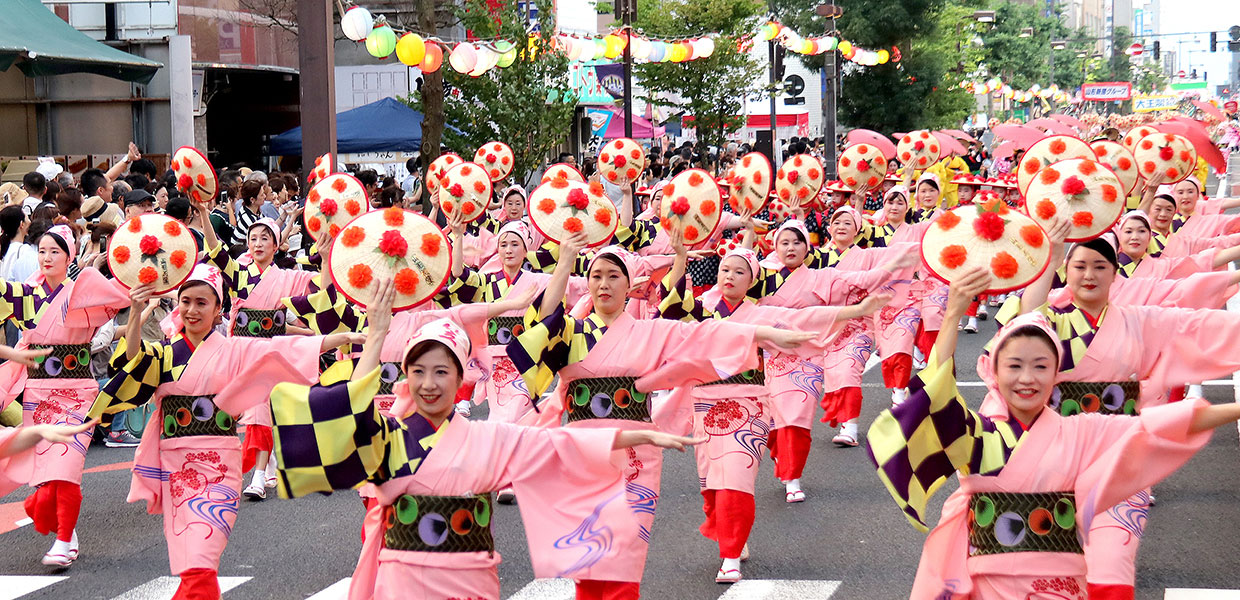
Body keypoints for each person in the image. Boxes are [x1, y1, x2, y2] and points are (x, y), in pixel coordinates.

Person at [270, 278, 699, 600]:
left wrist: (635, 435)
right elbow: (348, 418)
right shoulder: (388, 439)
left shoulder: (488, 438)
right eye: (417, 372)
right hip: (401, 577)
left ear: (461, 379)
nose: (429, 384)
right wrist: (378, 337)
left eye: (441, 372)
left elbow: (558, 446)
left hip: (471, 580)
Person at [867, 267, 1240, 599]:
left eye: (1041, 366)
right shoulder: (977, 435)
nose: (1027, 378)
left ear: (1056, 374)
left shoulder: (1081, 431)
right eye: (1014, 365)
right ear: (995, 372)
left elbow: (1157, 426)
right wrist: (951, 315)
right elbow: (935, 395)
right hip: (986, 584)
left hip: (1061, 584)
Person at [508, 235, 815, 599]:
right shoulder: (572, 331)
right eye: (595, 276)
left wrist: (767, 333)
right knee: (588, 560)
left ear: (630, 285)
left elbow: (707, 334)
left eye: (613, 276)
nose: (603, 284)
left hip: (637, 456)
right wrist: (564, 263)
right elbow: (542, 322)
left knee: (626, 555)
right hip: (582, 454)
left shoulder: (651, 331)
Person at [89, 264, 360, 599]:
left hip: (219, 466)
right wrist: (134, 313)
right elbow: (135, 361)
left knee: (202, 556)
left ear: (219, 310)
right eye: (186, 301)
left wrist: (343, 337)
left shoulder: (236, 349)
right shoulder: (165, 352)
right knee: (193, 566)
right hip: (176, 468)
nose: (191, 310)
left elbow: (282, 348)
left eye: (202, 303)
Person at [656, 235, 889, 582]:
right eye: (725, 269)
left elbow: (807, 318)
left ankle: (730, 556)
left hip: (748, 405)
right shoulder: (702, 307)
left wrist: (856, 311)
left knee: (736, 477)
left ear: (752, 281)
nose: (730, 276)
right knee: (712, 487)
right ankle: (732, 538)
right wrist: (678, 258)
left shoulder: (762, 313)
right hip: (704, 405)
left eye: (740, 271)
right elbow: (671, 308)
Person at [0, 224, 129, 567]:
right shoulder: (23, 293)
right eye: (41, 251)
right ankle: (44, 511)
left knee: (67, 465)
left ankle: (65, 540)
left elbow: (122, 292)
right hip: (39, 393)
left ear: (69, 256)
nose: (46, 257)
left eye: (55, 251)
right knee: (47, 478)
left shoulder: (83, 290)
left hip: (78, 393)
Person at [197, 195, 315, 500]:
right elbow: (216, 251)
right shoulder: (240, 275)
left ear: (277, 246)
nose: (258, 242)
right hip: (237, 352)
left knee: (260, 411)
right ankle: (258, 466)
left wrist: (327, 254)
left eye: (265, 238)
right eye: (253, 237)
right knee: (224, 409)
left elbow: (322, 284)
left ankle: (259, 476)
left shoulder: (288, 277)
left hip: (268, 354)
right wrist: (203, 213)